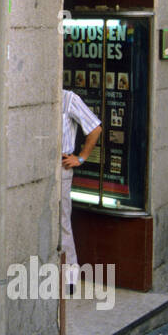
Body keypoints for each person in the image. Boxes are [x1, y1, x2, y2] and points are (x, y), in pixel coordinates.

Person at [61, 87, 102, 291]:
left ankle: (70, 276)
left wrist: (81, 157)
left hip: (61, 166)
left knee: (62, 220)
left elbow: (95, 128)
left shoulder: (69, 98)